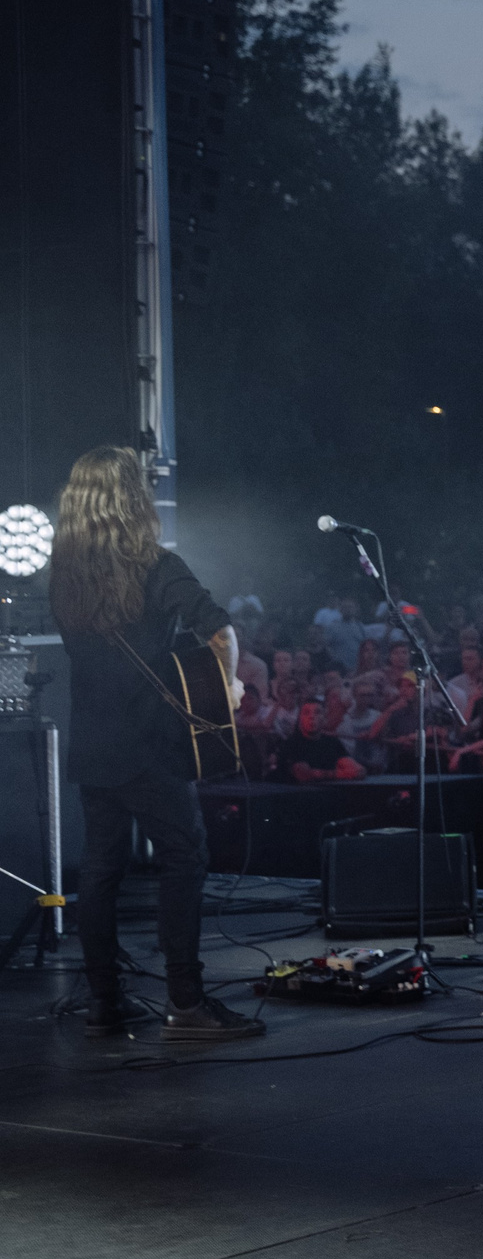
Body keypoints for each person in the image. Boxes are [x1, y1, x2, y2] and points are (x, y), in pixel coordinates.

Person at [49, 446, 260, 1043]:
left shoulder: (62, 575)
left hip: (93, 742)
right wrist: (232, 686)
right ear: (132, 499)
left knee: (100, 869)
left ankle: (104, 1002)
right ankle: (187, 1002)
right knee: (184, 857)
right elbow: (218, 628)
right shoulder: (156, 566)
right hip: (151, 744)